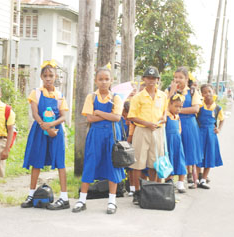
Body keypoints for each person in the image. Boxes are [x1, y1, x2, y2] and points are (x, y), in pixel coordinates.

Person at [72, 65, 125, 215]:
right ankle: (82, 199)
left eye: (106, 79)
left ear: (111, 81)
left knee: (112, 165)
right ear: (96, 81)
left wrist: (99, 112)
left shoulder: (116, 98)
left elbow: (117, 117)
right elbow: (89, 118)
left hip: (111, 135)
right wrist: (104, 116)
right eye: (100, 79)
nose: (103, 82)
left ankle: (112, 201)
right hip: (95, 135)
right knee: (90, 163)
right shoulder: (91, 97)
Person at [21, 60, 69, 210]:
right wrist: (44, 126)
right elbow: (35, 113)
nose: (48, 78)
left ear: (55, 77)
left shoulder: (59, 95)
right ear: (41, 77)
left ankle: (64, 197)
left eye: (51, 75)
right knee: (37, 161)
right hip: (40, 131)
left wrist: (52, 126)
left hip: (56, 132)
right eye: (45, 75)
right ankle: (31, 194)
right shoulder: (36, 93)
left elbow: (63, 116)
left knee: (60, 163)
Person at [127, 66, 167, 205]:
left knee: (154, 163)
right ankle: (137, 192)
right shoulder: (138, 97)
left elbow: (164, 112)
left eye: (154, 78)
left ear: (158, 80)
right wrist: (147, 123)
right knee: (138, 163)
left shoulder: (163, 95)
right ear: (144, 79)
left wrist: (164, 118)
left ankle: (152, 190)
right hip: (142, 130)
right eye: (148, 78)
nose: (151, 81)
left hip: (157, 131)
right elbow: (132, 116)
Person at [168, 67, 202, 189]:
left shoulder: (192, 92)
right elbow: (165, 106)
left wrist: (178, 110)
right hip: (173, 124)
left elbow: (195, 109)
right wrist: (172, 91)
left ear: (186, 79)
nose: (177, 80)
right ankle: (170, 179)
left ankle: (188, 180)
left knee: (189, 151)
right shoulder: (170, 90)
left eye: (180, 77)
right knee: (173, 150)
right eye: (176, 77)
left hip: (188, 124)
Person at [196, 84, 224, 189]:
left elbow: (222, 119)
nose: (207, 94)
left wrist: (219, 129)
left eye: (209, 91)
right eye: (205, 92)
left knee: (209, 155)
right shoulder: (199, 106)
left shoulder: (217, 108)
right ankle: (197, 179)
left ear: (213, 92)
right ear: (202, 94)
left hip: (211, 135)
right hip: (200, 133)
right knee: (199, 155)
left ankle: (204, 179)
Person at [165, 93, 187, 193]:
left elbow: (179, 130)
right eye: (176, 106)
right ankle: (169, 180)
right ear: (170, 104)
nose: (178, 109)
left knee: (180, 160)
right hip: (168, 141)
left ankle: (180, 182)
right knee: (169, 160)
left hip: (177, 141)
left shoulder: (177, 117)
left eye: (180, 107)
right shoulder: (166, 116)